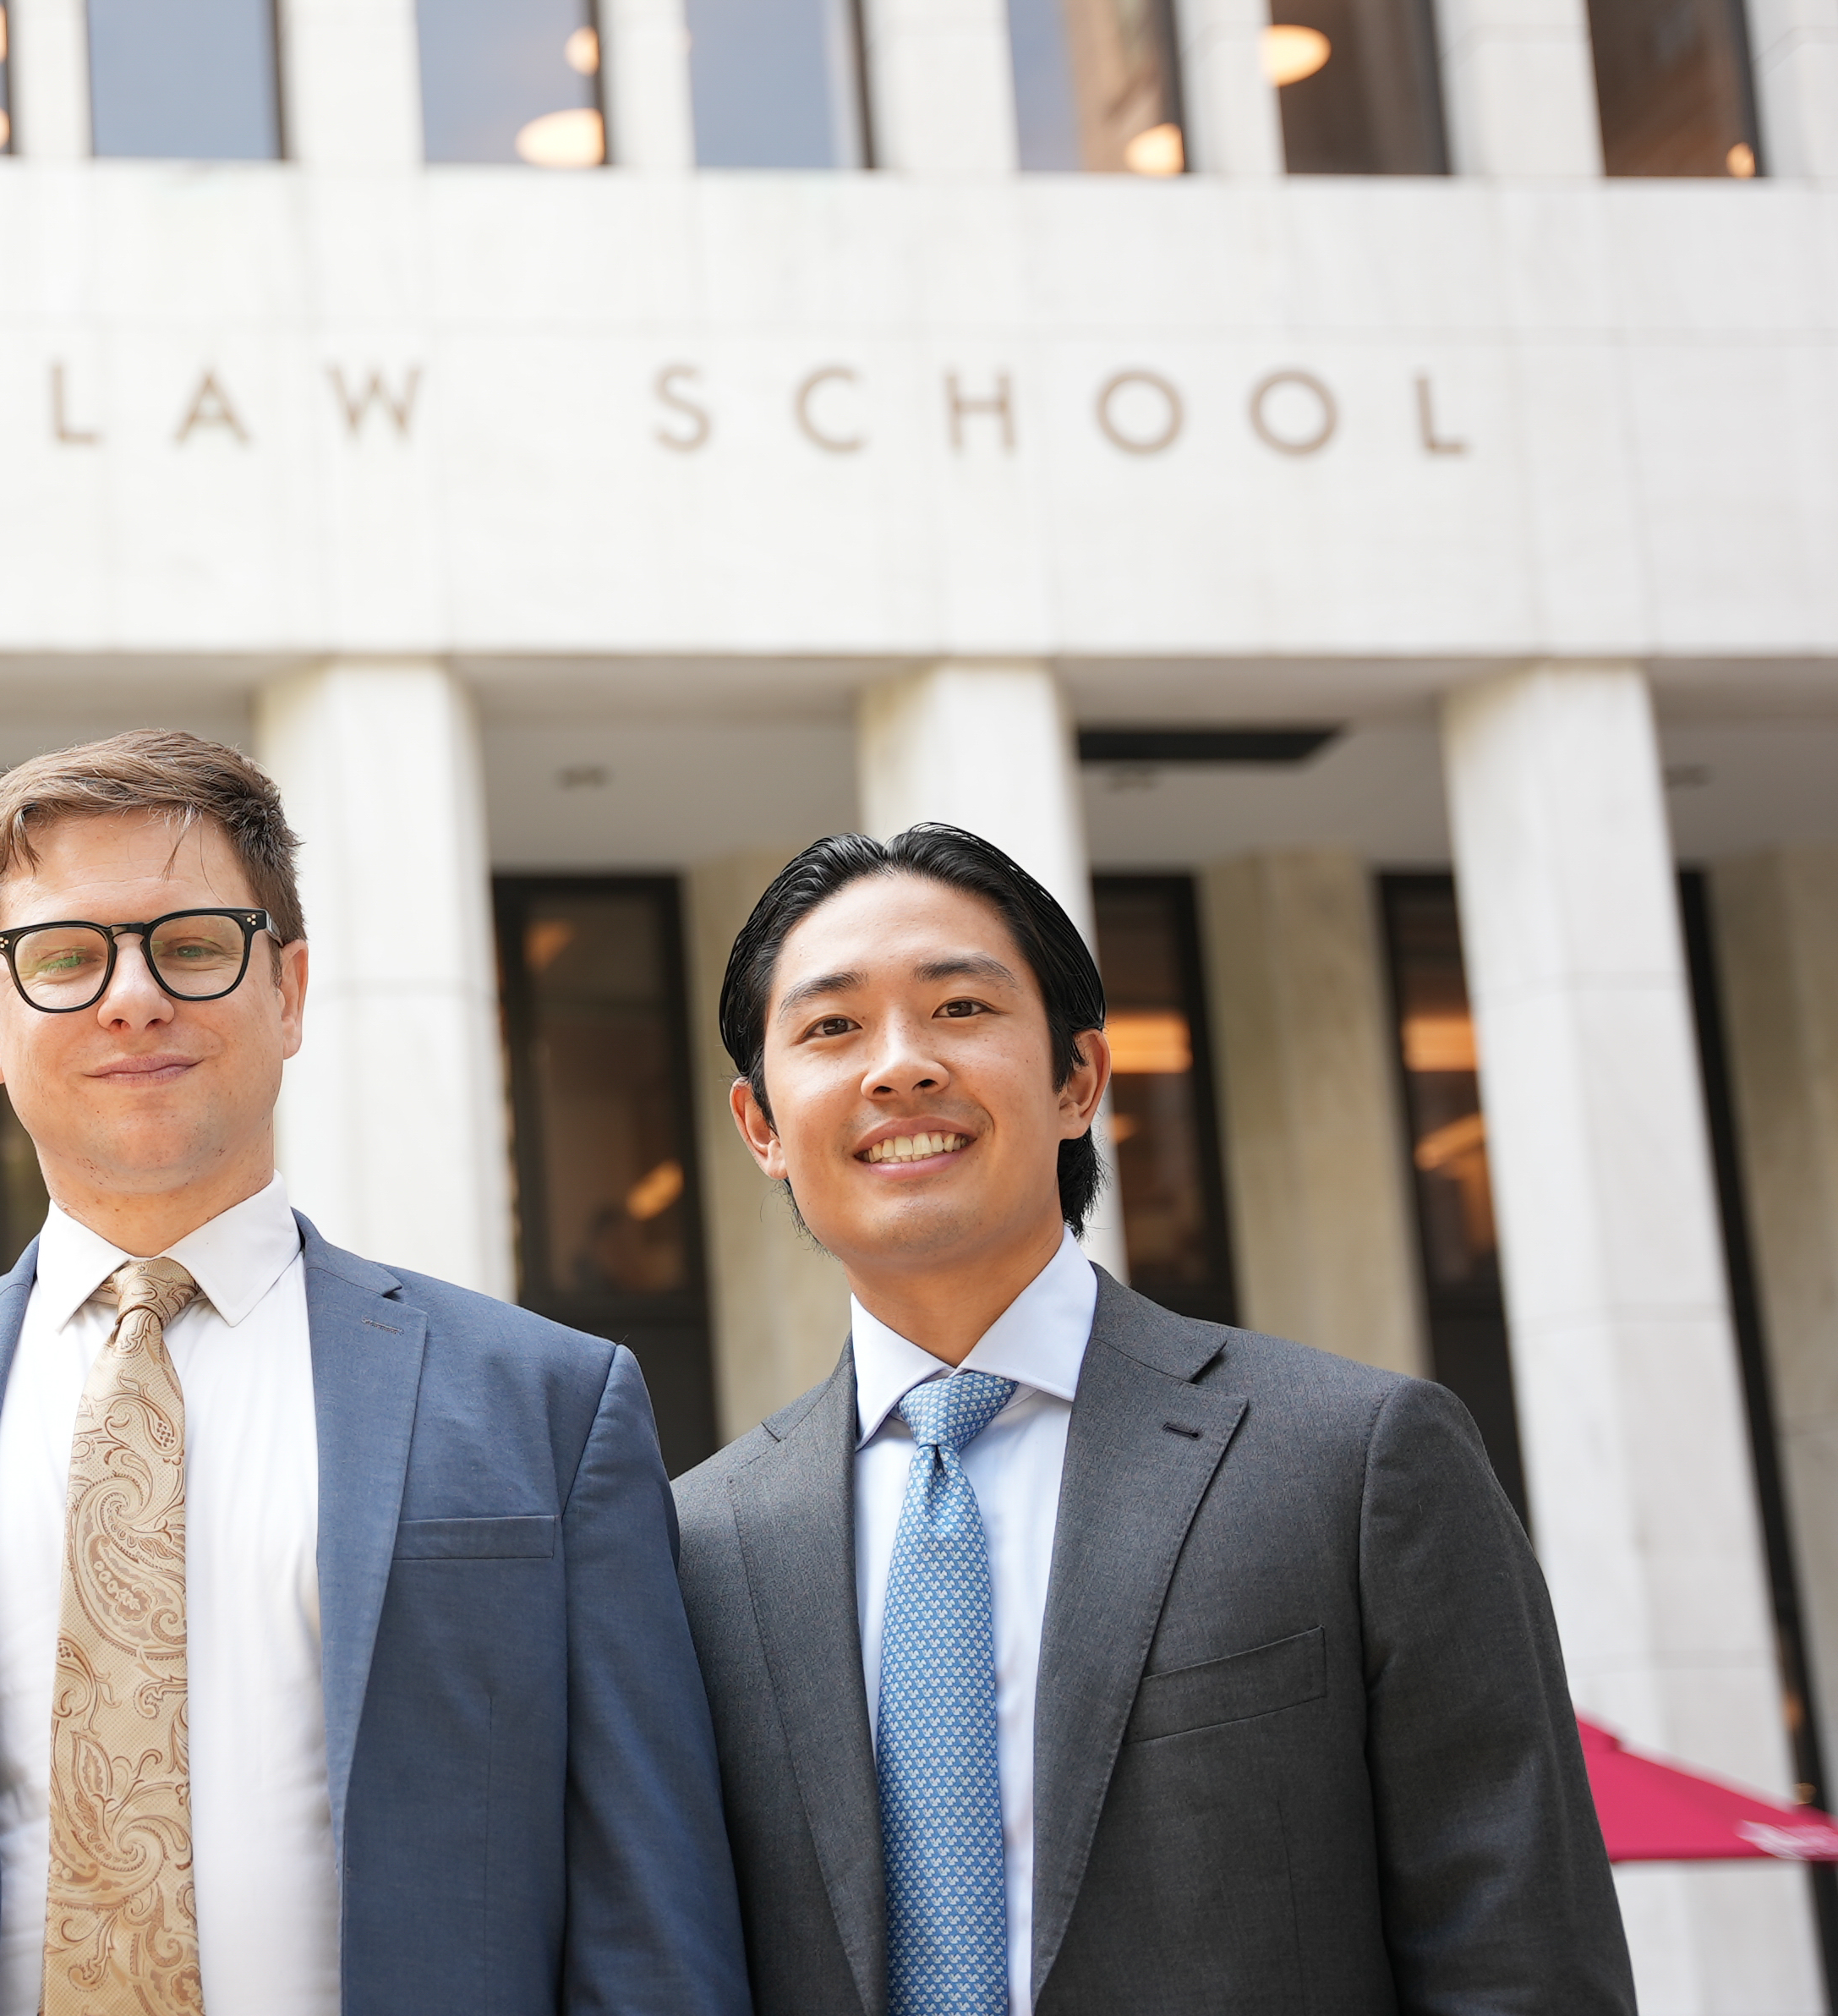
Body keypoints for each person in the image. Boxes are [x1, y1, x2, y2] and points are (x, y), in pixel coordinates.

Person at [0, 731, 748, 2016]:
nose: (134, 997)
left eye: (192, 945)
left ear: (288, 991)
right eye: (67, 958)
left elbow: (653, 1938)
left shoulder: (552, 1409)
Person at [673, 824, 1631, 2016]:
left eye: (962, 1009)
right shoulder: (691, 1548)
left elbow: (1521, 1963)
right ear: (760, 1126)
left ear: (1080, 1079)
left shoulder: (1356, 1461)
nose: (900, 1067)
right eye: (831, 1028)